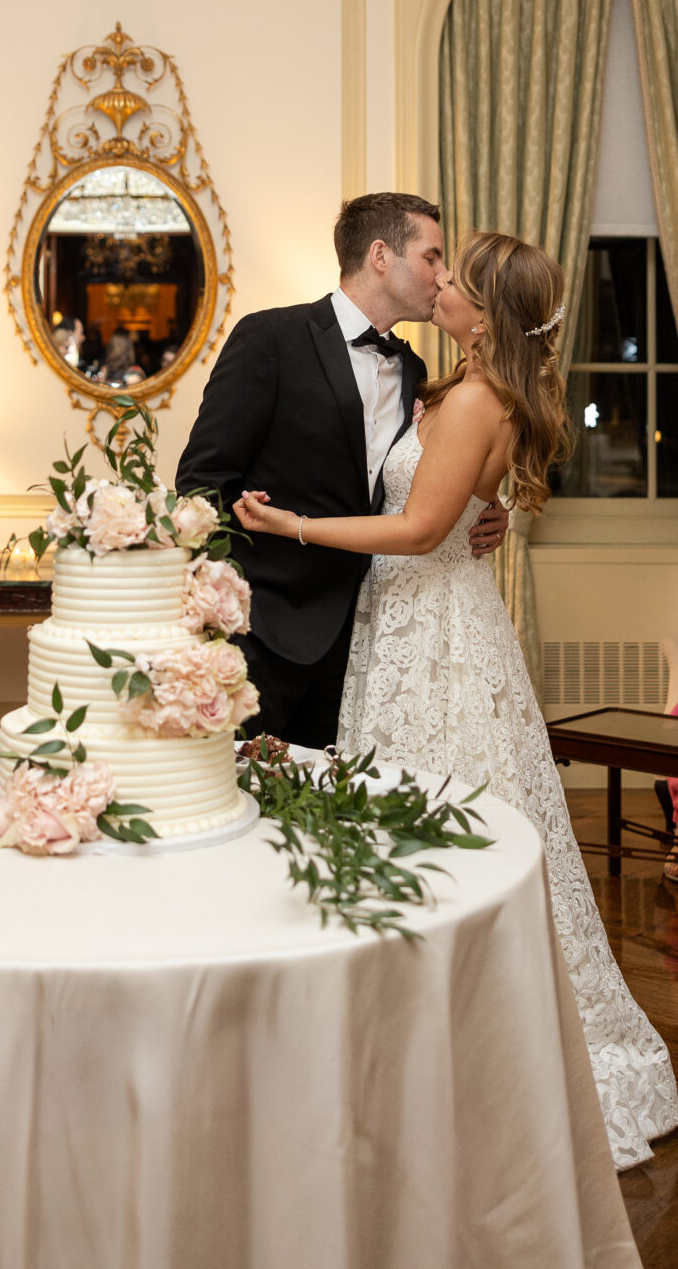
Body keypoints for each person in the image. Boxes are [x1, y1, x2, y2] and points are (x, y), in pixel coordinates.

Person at [234, 229, 678, 1170]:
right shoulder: (457, 387)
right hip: (402, 626)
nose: (436, 283)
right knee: (408, 824)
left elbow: (421, 523)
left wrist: (291, 525)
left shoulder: (476, 396)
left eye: (452, 276)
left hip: (436, 635)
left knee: (448, 819)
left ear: (483, 306)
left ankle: (478, 1042)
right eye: (434, 265)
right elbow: (461, 502)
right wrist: (490, 513)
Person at [176, 191, 508, 747]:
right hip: (261, 636)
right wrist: (225, 614)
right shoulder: (270, 339)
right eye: (431, 257)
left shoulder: (417, 369)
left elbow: (421, 479)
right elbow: (201, 485)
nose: (442, 275)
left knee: (328, 819)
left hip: (371, 639)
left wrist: (485, 507)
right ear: (381, 255)